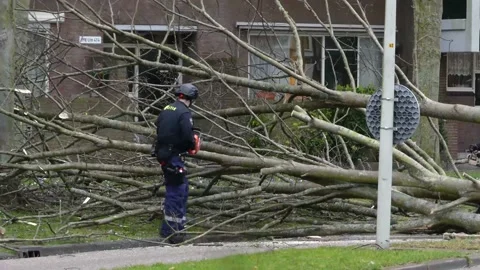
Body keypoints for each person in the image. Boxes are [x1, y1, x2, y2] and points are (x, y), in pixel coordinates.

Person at [153, 83, 200, 244]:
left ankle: (177, 228)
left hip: (165, 155)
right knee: (177, 192)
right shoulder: (184, 113)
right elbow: (187, 135)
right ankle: (172, 232)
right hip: (173, 156)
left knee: (182, 188)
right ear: (191, 98)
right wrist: (191, 145)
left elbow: (159, 128)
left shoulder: (167, 109)